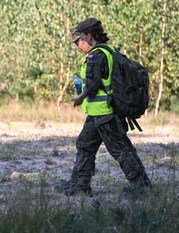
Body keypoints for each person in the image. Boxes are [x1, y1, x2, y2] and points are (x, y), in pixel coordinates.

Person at [58, 17, 151, 196]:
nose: (77, 45)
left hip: (104, 113)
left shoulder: (96, 55)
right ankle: (80, 185)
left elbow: (93, 87)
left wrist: (80, 97)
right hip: (98, 113)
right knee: (85, 145)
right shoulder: (108, 51)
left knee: (120, 150)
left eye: (79, 41)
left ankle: (141, 187)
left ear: (89, 36)